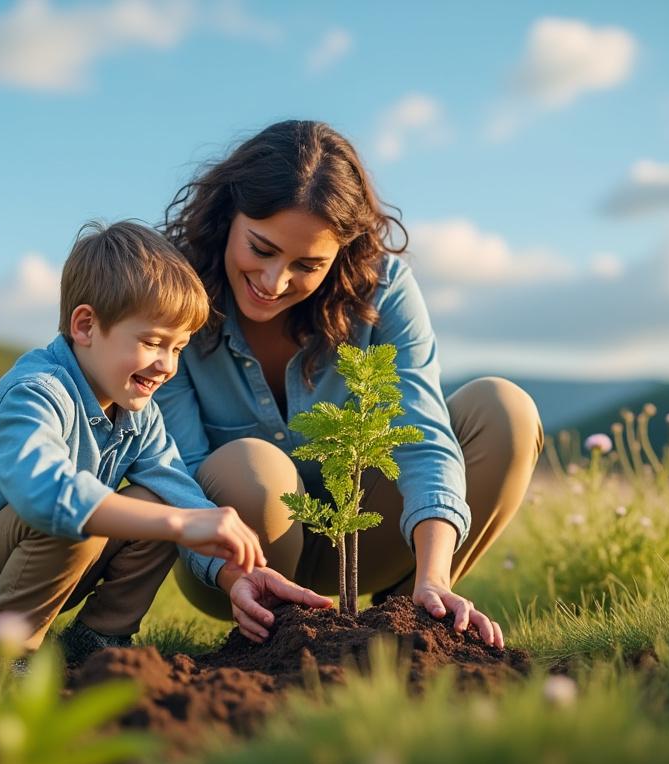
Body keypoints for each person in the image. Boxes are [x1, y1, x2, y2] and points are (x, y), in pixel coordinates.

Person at [156, 120, 544, 649]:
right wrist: (230, 574)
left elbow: (421, 434)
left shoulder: (383, 290)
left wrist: (435, 576)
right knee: (254, 467)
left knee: (504, 411)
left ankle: (415, 619)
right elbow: (172, 470)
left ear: (341, 252)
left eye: (307, 264)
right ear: (228, 215)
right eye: (261, 248)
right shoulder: (168, 291)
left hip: (365, 536)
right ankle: (274, 637)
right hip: (234, 555)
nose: (274, 283)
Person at [0, 221, 270, 663]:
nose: (167, 366)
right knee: (79, 515)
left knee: (161, 500)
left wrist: (234, 575)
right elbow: (46, 496)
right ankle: (2, 656)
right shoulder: (36, 392)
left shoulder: (140, 414)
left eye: (179, 348)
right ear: (85, 326)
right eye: (153, 342)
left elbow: (180, 497)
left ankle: (98, 641)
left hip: (49, 559)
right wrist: (178, 525)